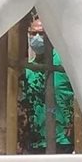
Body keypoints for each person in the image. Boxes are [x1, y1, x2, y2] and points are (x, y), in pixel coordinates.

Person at [19, 17, 75, 153]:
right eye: (33, 33)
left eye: (41, 33)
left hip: (63, 140)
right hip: (36, 141)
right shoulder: (28, 69)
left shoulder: (64, 63)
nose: (37, 38)